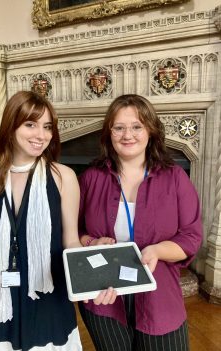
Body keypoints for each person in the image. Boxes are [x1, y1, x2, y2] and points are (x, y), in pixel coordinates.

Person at [78, 94, 203, 351]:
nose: (128, 135)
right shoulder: (91, 178)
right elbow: (75, 231)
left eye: (137, 126)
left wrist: (157, 250)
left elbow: (191, 237)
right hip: (104, 293)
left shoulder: (175, 177)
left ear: (151, 131)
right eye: (119, 127)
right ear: (109, 133)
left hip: (159, 293)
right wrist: (92, 241)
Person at [0, 90, 83, 350]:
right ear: (11, 126)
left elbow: (71, 242)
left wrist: (91, 278)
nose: (41, 135)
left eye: (47, 127)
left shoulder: (63, 177)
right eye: (30, 124)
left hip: (49, 299)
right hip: (0, 302)